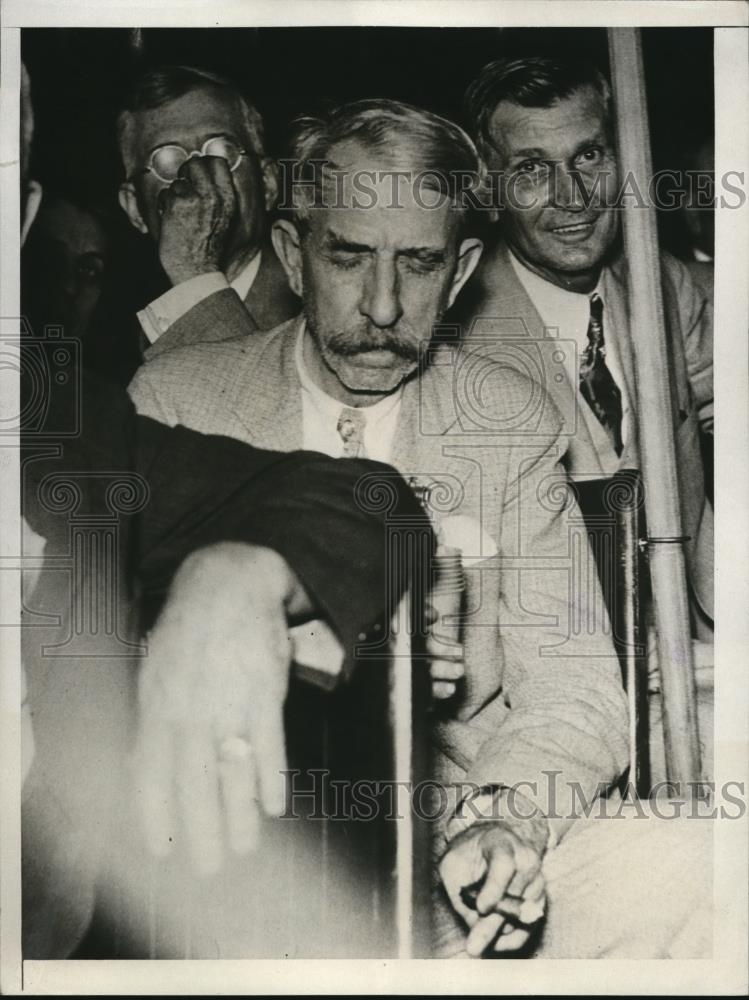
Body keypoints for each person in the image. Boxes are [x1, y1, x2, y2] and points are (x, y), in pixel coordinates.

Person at [128, 98, 711, 959]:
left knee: (698, 860)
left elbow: (574, 688)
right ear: (292, 254)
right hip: (239, 860)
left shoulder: (507, 419)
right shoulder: (177, 403)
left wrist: (501, 823)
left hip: (449, 862)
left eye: (418, 263)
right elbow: (100, 677)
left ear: (461, 267)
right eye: (348, 256)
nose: (382, 305)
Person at [455, 54, 713, 638]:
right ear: (488, 187)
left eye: (589, 156)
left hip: (684, 637)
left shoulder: (660, 282)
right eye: (532, 168)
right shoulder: (456, 333)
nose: (572, 196)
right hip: (548, 648)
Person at [116, 64, 298, 362]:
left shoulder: (311, 305)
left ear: (267, 184)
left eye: (221, 151)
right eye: (167, 161)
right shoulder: (129, 333)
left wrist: (193, 271)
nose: (197, 173)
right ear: (135, 208)